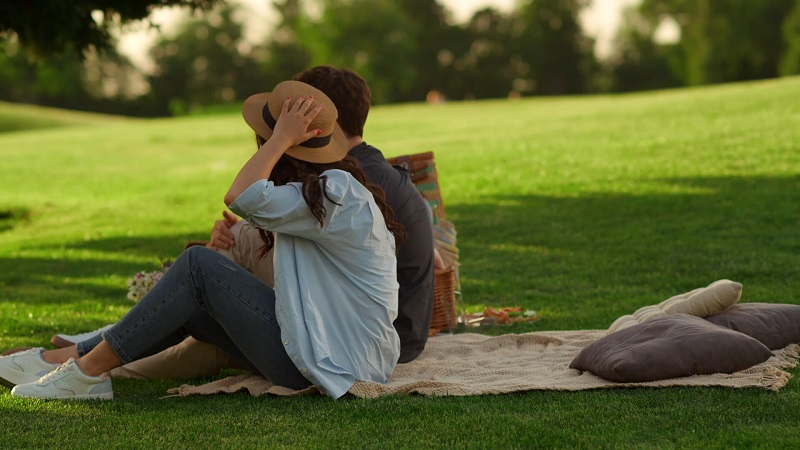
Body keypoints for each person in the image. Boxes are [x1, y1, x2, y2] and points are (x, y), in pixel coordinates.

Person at [0, 80, 404, 400]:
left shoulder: (337, 191)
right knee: (193, 303)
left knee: (197, 267)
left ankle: (84, 374)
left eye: (265, 139)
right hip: (334, 353)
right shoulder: (324, 192)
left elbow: (240, 195)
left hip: (336, 363)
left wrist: (283, 137)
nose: (262, 144)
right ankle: (64, 362)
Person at [217, 66, 436, 363]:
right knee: (237, 238)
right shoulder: (369, 168)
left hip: (365, 337)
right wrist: (247, 226)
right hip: (395, 330)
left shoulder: (347, 183)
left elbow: (245, 198)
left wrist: (280, 141)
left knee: (226, 251)